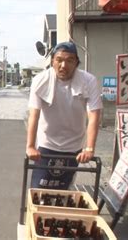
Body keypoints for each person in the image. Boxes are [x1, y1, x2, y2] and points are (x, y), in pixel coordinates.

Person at [26, 41, 103, 190]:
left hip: (74, 146)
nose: (63, 65)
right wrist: (30, 146)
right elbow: (34, 115)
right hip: (46, 144)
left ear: (76, 63)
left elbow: (94, 116)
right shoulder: (40, 80)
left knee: (64, 190)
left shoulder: (88, 81)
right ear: (52, 61)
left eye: (69, 60)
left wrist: (89, 148)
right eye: (59, 60)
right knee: (39, 189)